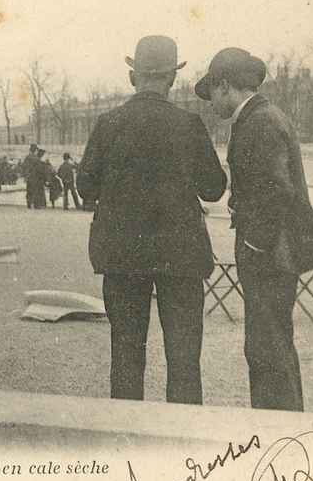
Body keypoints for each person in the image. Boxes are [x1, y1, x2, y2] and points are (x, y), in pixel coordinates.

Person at [77, 35, 226, 405]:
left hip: (123, 254)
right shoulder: (189, 124)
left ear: (133, 77)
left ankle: (126, 439)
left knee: (126, 353)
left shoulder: (108, 123)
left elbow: (84, 186)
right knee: (184, 357)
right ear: (173, 78)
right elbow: (213, 189)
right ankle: (185, 439)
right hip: (181, 254)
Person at [196, 46, 313, 412]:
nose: (211, 103)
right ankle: (283, 426)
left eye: (212, 94)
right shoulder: (264, 116)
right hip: (275, 251)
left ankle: (278, 431)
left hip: (269, 254)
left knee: (266, 346)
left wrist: (256, 243)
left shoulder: (258, 122)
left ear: (225, 85)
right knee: (271, 345)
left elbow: (276, 191)